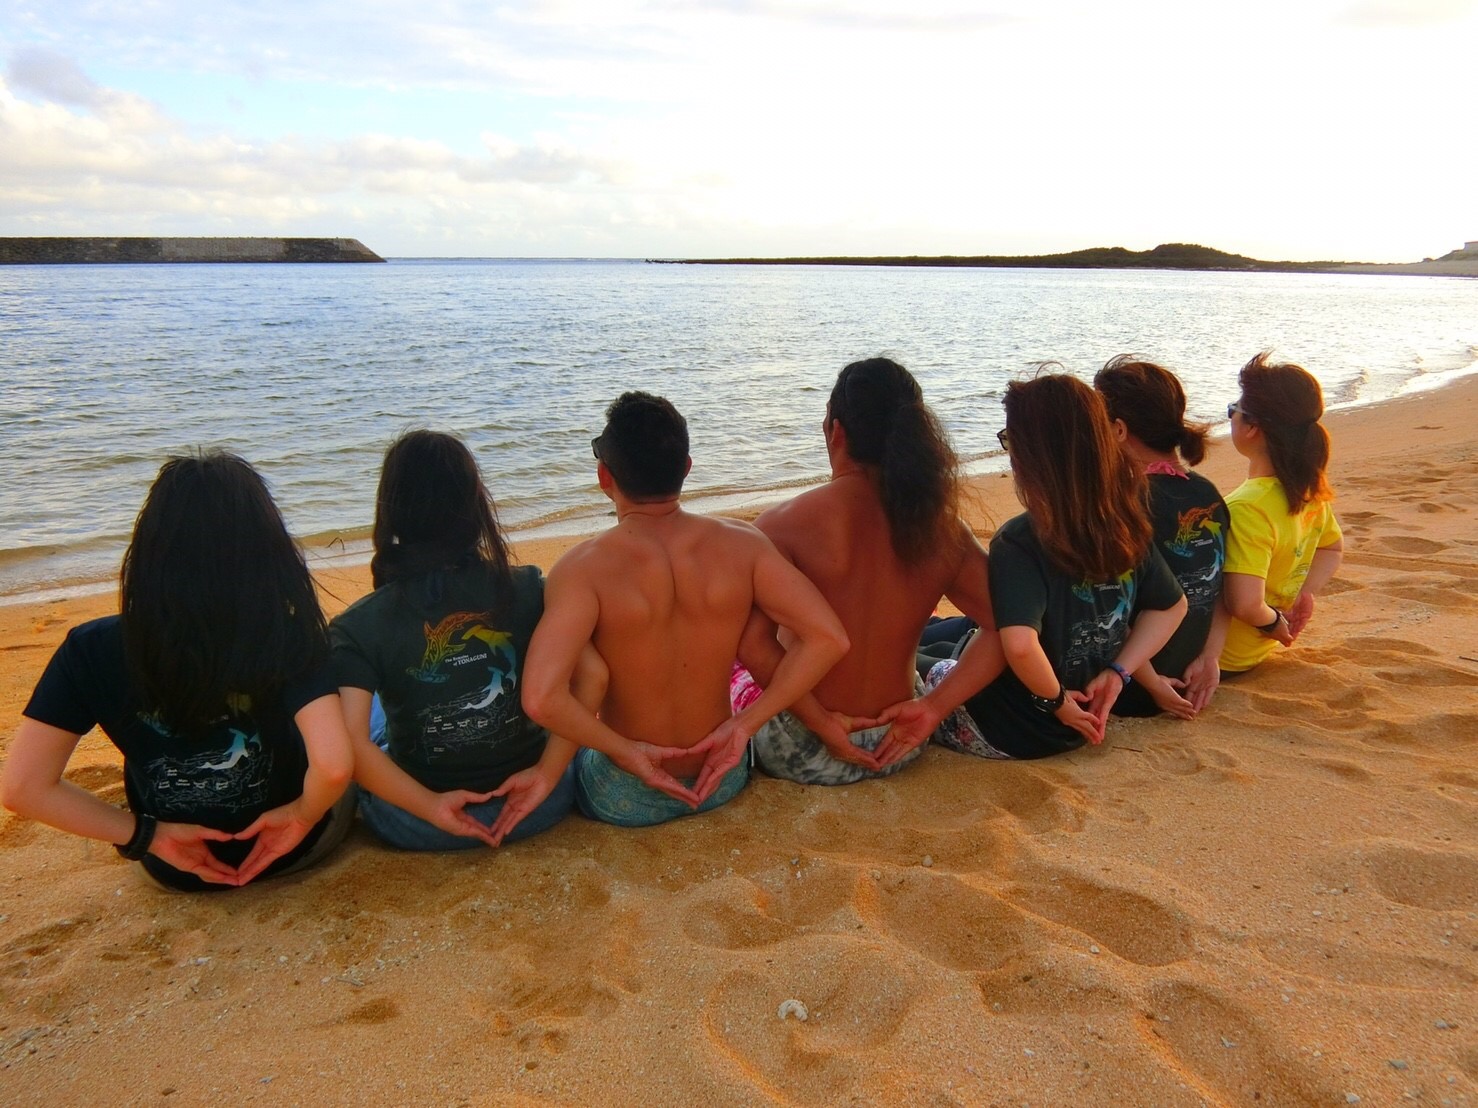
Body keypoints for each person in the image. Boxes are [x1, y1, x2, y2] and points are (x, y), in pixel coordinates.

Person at [1, 453, 354, 891]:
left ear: (148, 555)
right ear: (269, 553)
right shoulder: (289, 631)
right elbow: (333, 767)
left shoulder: (90, 649)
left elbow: (23, 788)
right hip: (299, 848)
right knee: (360, 723)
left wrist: (147, 836)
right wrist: (301, 816)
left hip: (176, 866)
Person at [521, 391, 849, 827]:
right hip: (721, 777)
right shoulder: (744, 545)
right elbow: (829, 639)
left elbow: (541, 700)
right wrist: (743, 726)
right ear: (687, 468)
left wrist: (626, 751)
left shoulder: (580, 569)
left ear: (604, 476)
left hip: (624, 791)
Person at [888, 372, 1187, 758]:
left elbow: (1019, 645)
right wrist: (1118, 674)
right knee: (944, 643)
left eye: (1010, 440)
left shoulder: (1021, 540)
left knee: (906, 660)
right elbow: (1171, 607)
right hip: (1075, 728)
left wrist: (1058, 703)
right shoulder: (1125, 524)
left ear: (1031, 455)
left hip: (1002, 727)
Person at [735, 357, 1004, 784]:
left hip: (803, 748)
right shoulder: (940, 529)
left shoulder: (783, 524)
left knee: (731, 662)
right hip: (897, 739)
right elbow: (1008, 626)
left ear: (836, 431)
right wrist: (932, 709)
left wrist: (823, 724)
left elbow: (753, 645)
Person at [330, 430, 590, 851]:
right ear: (475, 504)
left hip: (418, 823)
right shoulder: (529, 589)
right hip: (539, 803)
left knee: (370, 714)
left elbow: (347, 747)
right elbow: (587, 680)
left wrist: (431, 808)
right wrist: (547, 774)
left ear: (391, 511)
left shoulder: (358, 625)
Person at [1093, 355, 1230, 718]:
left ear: (1118, 430)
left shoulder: (1122, 504)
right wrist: (1210, 658)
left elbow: (1110, 610)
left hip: (1126, 687)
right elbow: (1220, 587)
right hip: (1188, 676)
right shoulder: (1207, 493)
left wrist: (1153, 686)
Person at [1219, 352, 1344, 672]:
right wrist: (1304, 594)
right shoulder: (1308, 491)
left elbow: (1244, 604)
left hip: (1223, 657)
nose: (1231, 416)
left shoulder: (1247, 507)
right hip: (1257, 651)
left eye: (1233, 410)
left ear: (1253, 427)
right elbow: (1331, 548)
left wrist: (1275, 622)